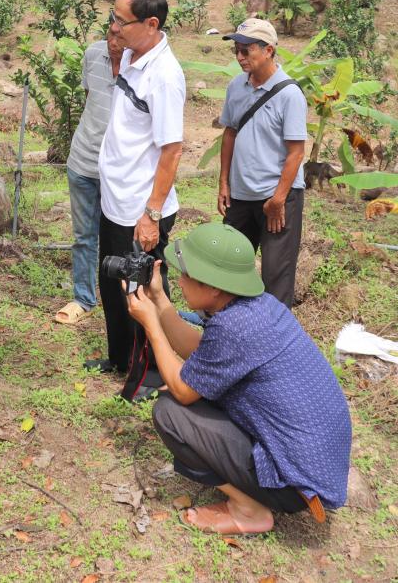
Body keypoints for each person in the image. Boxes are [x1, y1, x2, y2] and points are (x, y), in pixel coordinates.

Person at [126, 222, 351, 536]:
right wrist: (160, 300)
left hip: (297, 483)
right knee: (187, 393)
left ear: (215, 287)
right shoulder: (257, 308)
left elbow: (182, 390)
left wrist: (150, 323)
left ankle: (250, 510)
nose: (180, 280)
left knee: (170, 411)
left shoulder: (234, 328)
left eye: (187, 274)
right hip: (313, 466)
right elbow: (198, 350)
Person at [93, 0, 185, 399]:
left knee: (142, 292)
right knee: (112, 284)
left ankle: (148, 374)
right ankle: (118, 357)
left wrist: (151, 213)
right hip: (115, 199)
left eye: (121, 21)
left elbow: (171, 151)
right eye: (112, 17)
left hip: (140, 209)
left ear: (151, 23)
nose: (114, 27)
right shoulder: (132, 54)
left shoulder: (165, 75)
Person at [217, 18, 307, 307]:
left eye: (247, 50)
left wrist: (278, 200)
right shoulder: (236, 87)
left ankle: (273, 337)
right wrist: (223, 183)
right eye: (237, 51)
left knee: (275, 274)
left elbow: (296, 152)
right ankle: (222, 326)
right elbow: (230, 133)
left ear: (268, 50)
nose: (240, 57)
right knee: (228, 266)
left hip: (276, 198)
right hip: (241, 195)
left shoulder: (289, 94)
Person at [54, 29, 125, 326]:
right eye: (111, 31)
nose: (113, 38)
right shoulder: (93, 54)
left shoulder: (144, 66)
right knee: (83, 236)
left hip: (120, 170)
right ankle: (83, 298)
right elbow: (90, 101)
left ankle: (124, 297)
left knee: (120, 241)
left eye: (121, 33)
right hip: (82, 161)